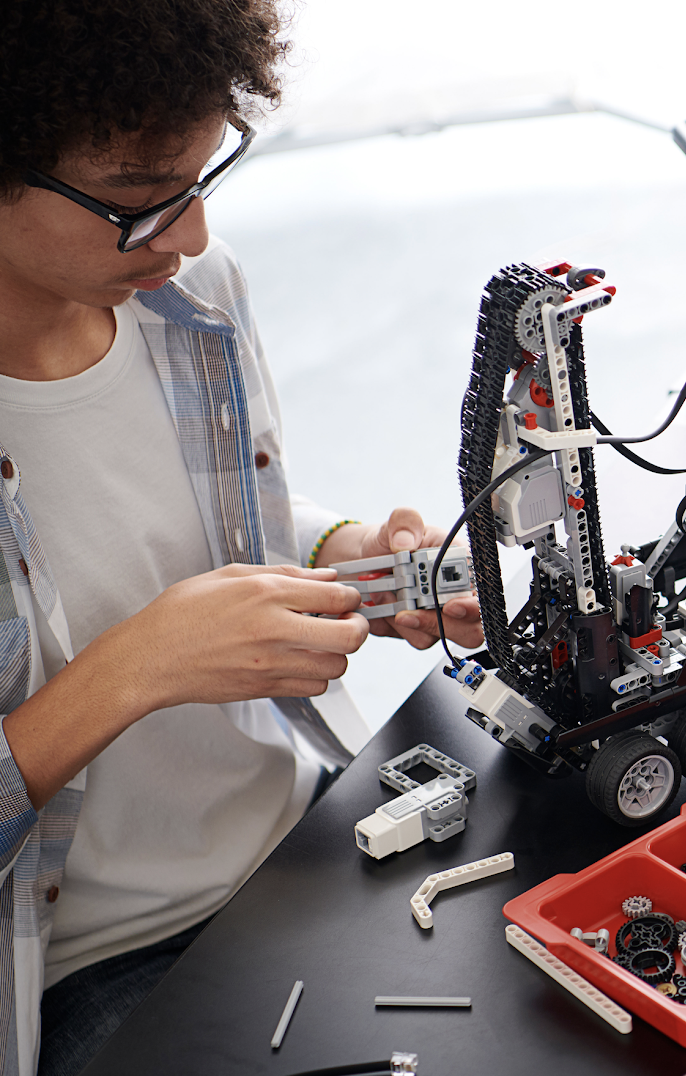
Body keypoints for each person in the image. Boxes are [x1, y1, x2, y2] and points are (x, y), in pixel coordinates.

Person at [0, 3, 482, 1072]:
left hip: (308, 832)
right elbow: (145, 620)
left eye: (201, 180)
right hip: (89, 966)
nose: (190, 239)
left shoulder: (189, 301)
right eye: (137, 201)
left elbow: (179, 533)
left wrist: (343, 557)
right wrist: (134, 670)